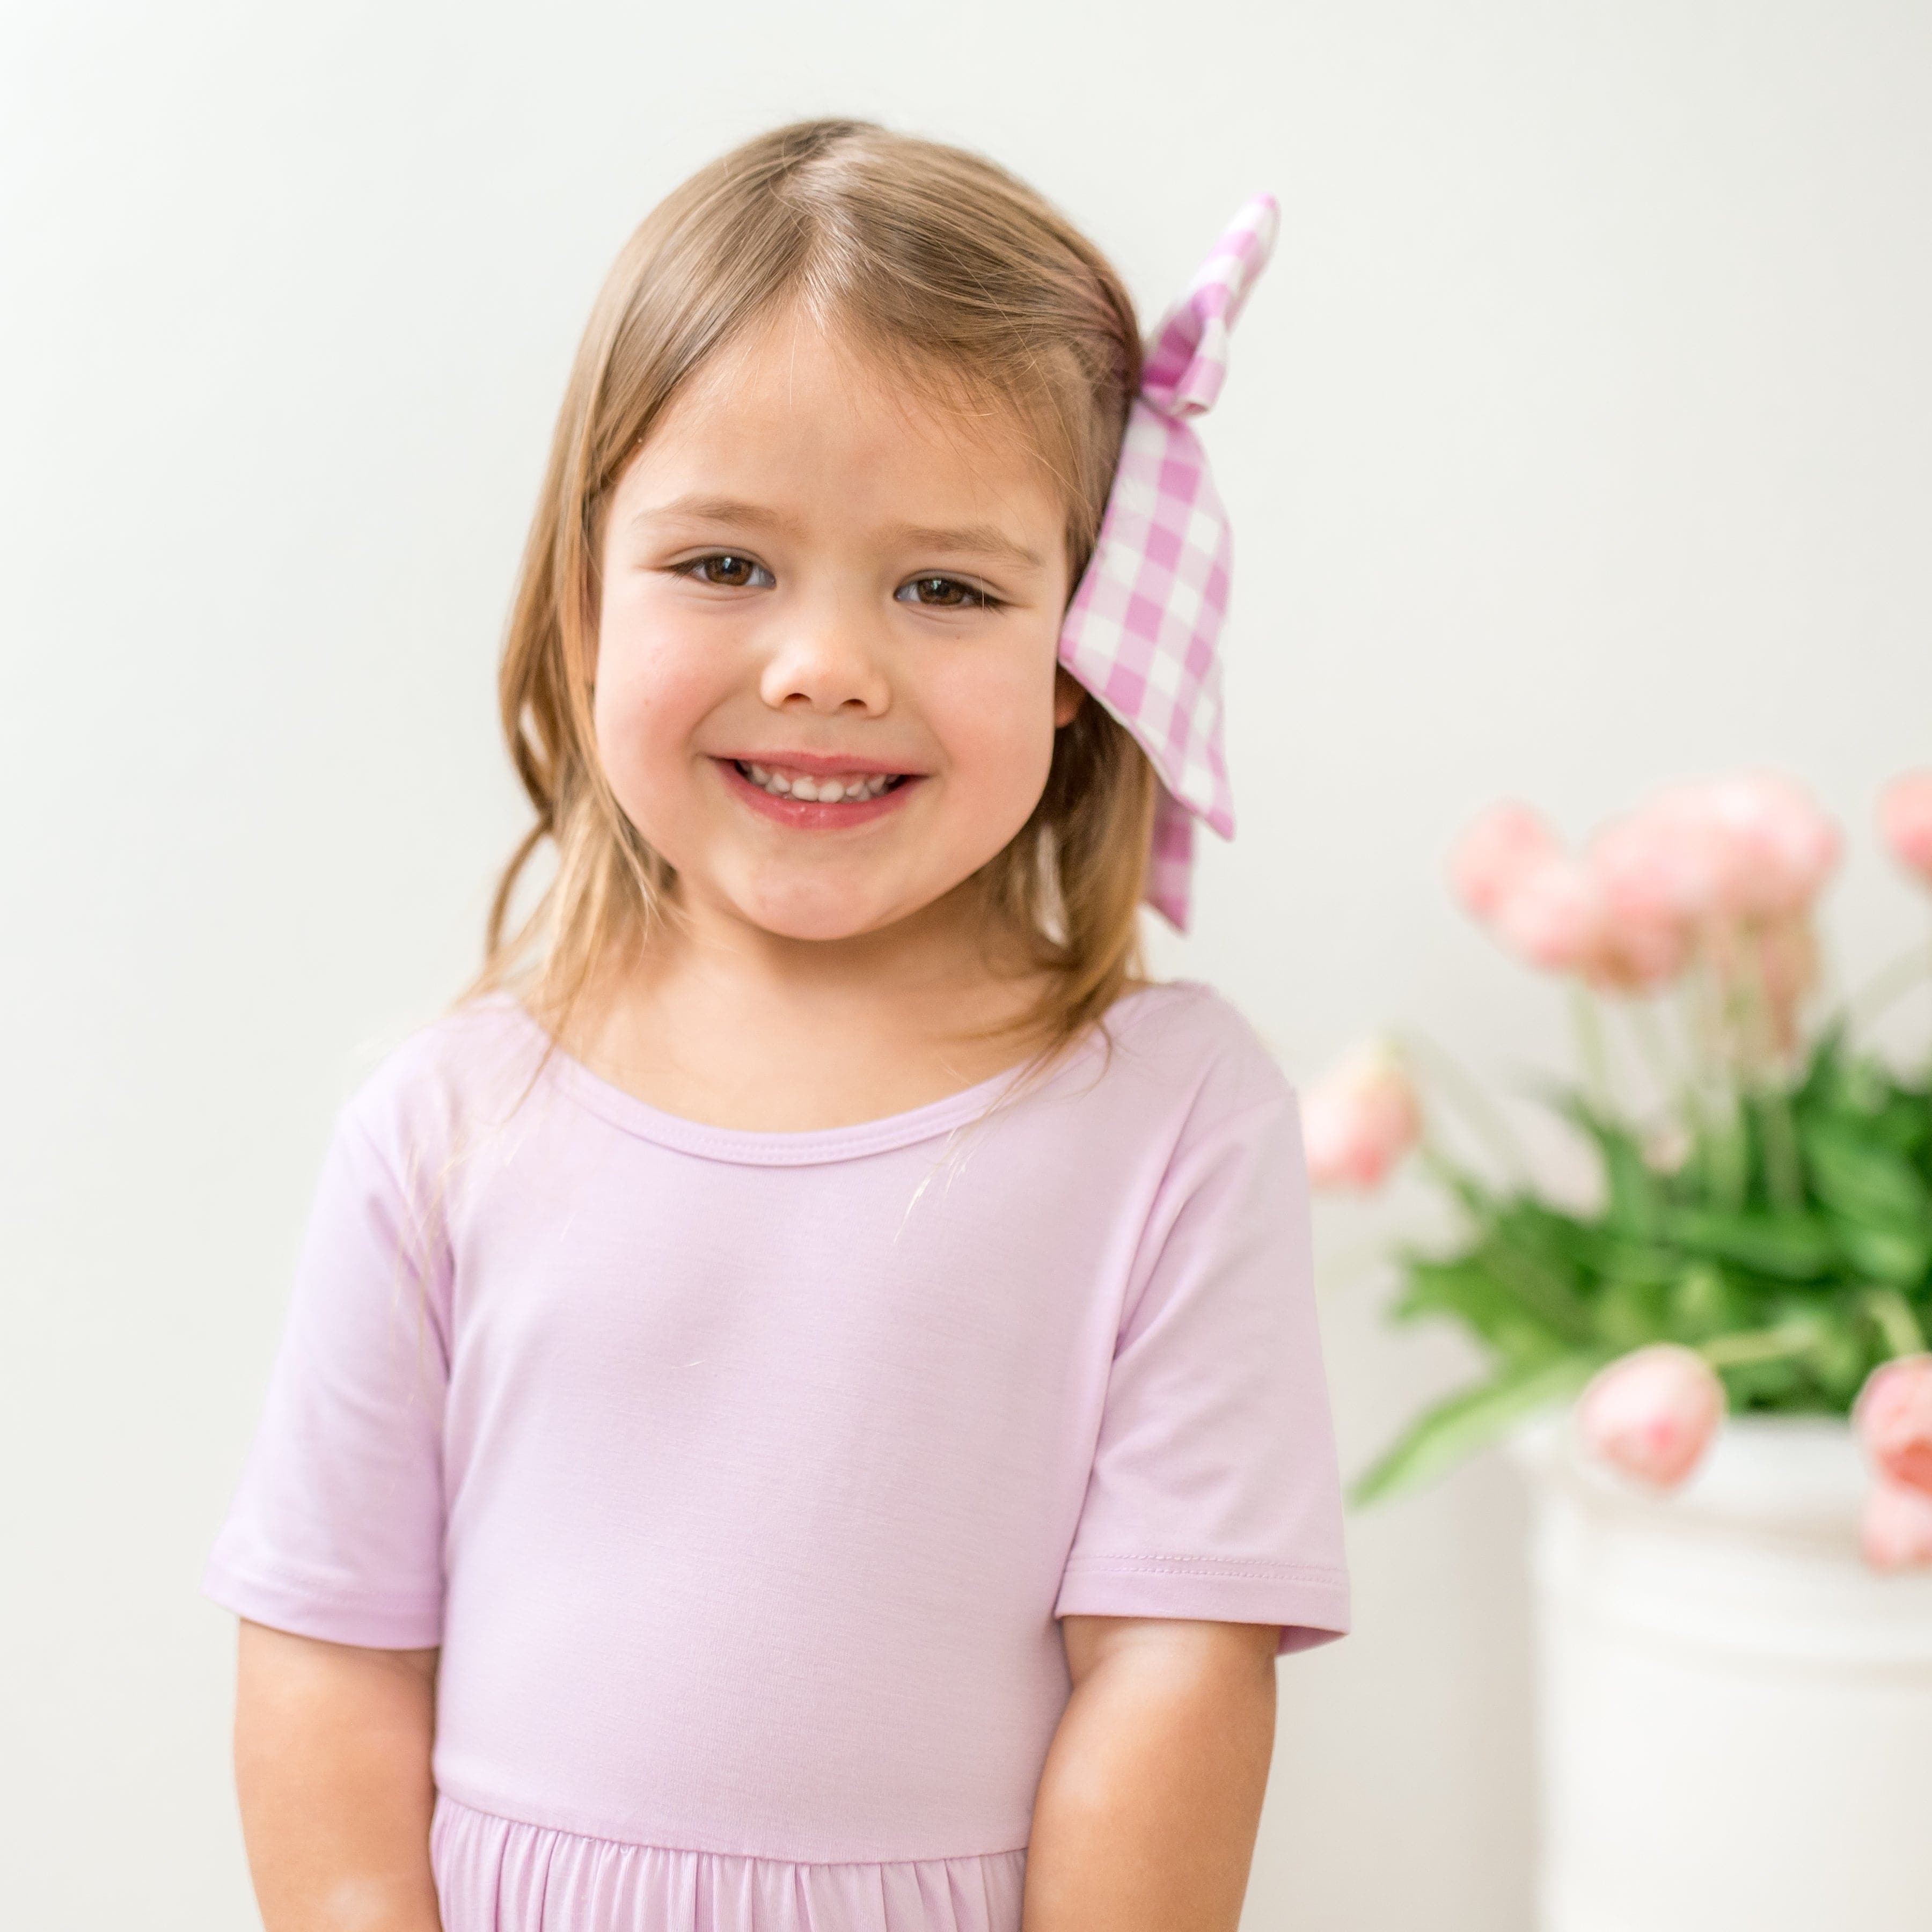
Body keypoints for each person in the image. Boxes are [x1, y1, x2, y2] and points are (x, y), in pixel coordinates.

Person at [204, 118, 1349, 1932]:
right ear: (585, 603)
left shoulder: (1173, 1118)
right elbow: (332, 1651)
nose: (827, 663)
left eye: (948, 587)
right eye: (725, 565)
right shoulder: (443, 1124)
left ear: (1087, 657)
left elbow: (1177, 1668)